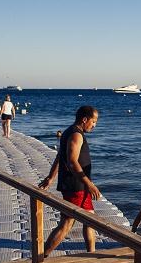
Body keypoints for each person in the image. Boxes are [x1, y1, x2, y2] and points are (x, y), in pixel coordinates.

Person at [38, 106, 101, 256]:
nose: (94, 125)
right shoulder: (76, 135)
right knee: (67, 223)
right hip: (76, 186)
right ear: (84, 119)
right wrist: (89, 184)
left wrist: (51, 177)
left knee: (89, 220)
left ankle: (91, 254)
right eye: (94, 121)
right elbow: (72, 161)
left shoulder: (68, 131)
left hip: (75, 185)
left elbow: (60, 156)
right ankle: (42, 255)